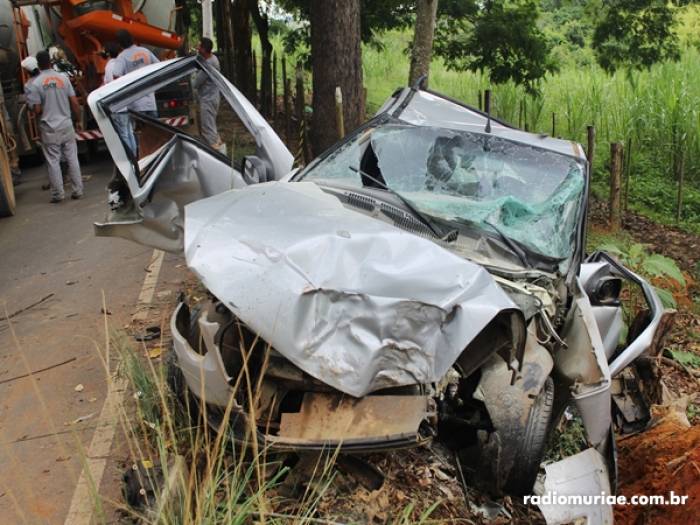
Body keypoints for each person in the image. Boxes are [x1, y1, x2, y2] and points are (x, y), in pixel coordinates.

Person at [25, 50, 83, 203]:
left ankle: (58, 194)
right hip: (66, 123)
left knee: (53, 161)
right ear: (50, 62)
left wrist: (32, 107)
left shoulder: (35, 83)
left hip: (49, 128)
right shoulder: (63, 79)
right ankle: (78, 190)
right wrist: (78, 120)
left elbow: (37, 109)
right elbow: (75, 102)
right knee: (72, 157)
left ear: (38, 64)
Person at [113, 30, 159, 156]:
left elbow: (116, 77)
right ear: (132, 39)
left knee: (141, 140)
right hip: (151, 102)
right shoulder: (145, 51)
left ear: (119, 44)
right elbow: (159, 67)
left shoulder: (122, 57)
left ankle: (146, 168)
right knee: (156, 136)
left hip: (136, 105)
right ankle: (161, 160)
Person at [194, 37, 221, 147]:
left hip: (208, 100)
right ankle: (217, 147)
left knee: (208, 131)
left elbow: (196, 83)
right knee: (211, 127)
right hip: (212, 97)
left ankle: (216, 153)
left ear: (204, 50)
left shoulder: (208, 64)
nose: (197, 48)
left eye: (199, 46)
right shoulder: (213, 58)